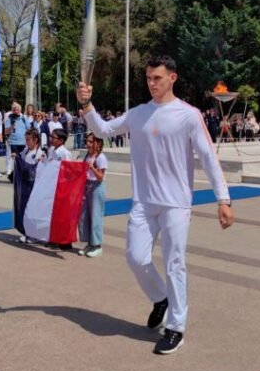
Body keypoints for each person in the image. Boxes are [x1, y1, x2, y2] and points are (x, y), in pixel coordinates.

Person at [77, 55, 234, 355]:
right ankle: (161, 297)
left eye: (157, 78)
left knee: (175, 263)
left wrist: (223, 200)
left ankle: (176, 327)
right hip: (143, 201)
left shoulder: (188, 115)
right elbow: (103, 130)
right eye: (149, 78)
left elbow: (208, 157)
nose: (151, 84)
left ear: (172, 78)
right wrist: (87, 105)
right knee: (136, 258)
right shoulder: (138, 114)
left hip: (175, 204)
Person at [78, 133, 107, 258]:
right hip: (86, 186)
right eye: (87, 141)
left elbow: (100, 177)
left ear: (98, 144)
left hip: (96, 187)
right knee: (85, 216)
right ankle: (89, 243)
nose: (87, 144)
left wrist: (93, 169)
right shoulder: (87, 155)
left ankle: (97, 245)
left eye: (90, 142)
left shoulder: (101, 158)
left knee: (95, 216)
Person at [13, 128, 43, 244]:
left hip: (34, 186)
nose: (26, 142)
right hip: (25, 185)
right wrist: (16, 156)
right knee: (24, 209)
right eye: (26, 139)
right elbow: (20, 161)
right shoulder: (25, 151)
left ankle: (34, 234)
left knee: (33, 211)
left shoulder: (40, 153)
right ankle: (27, 232)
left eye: (29, 140)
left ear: (35, 140)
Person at [4, 103, 30, 177]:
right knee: (13, 158)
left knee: (22, 158)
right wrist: (11, 127)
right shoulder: (9, 118)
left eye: (17, 110)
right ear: (12, 110)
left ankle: (21, 172)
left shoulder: (24, 118)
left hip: (23, 142)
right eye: (14, 110)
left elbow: (29, 128)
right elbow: (6, 131)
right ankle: (10, 172)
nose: (16, 111)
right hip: (13, 142)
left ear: (20, 110)